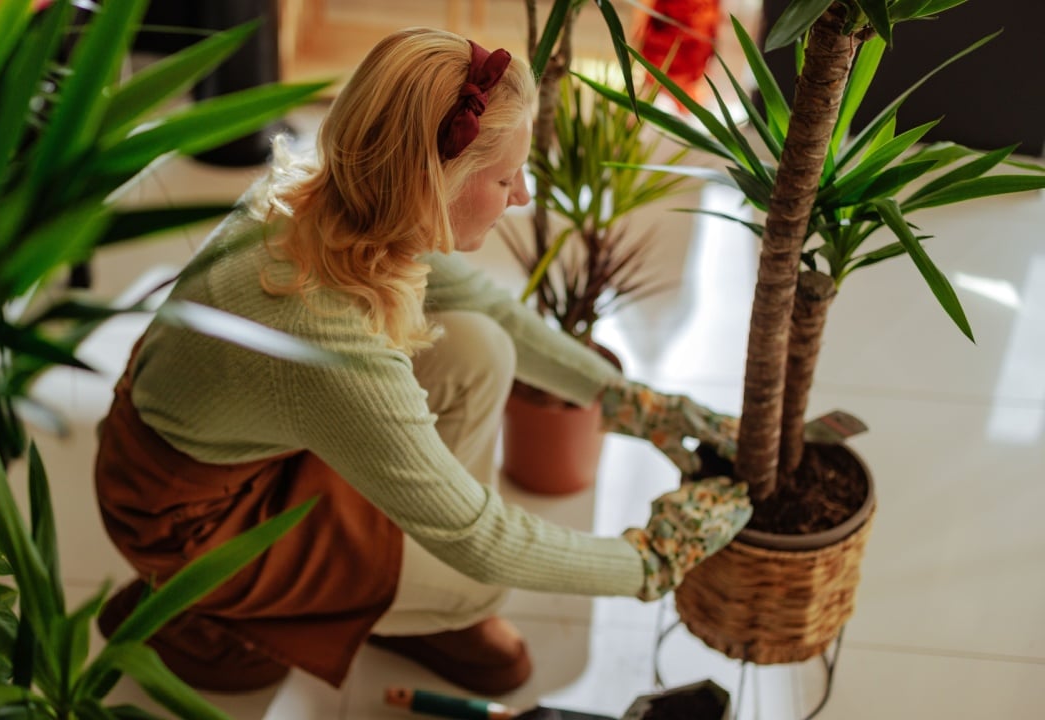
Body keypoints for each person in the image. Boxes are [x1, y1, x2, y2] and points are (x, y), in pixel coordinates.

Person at [94, 27, 751, 697]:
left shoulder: (344, 191)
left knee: (477, 345)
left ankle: (404, 589)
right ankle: (207, 611)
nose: (521, 196)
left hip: (239, 441)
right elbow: (480, 537)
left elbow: (494, 313)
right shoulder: (320, 329)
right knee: (475, 582)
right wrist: (652, 561)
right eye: (503, 178)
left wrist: (641, 405)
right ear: (433, 179)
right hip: (188, 524)